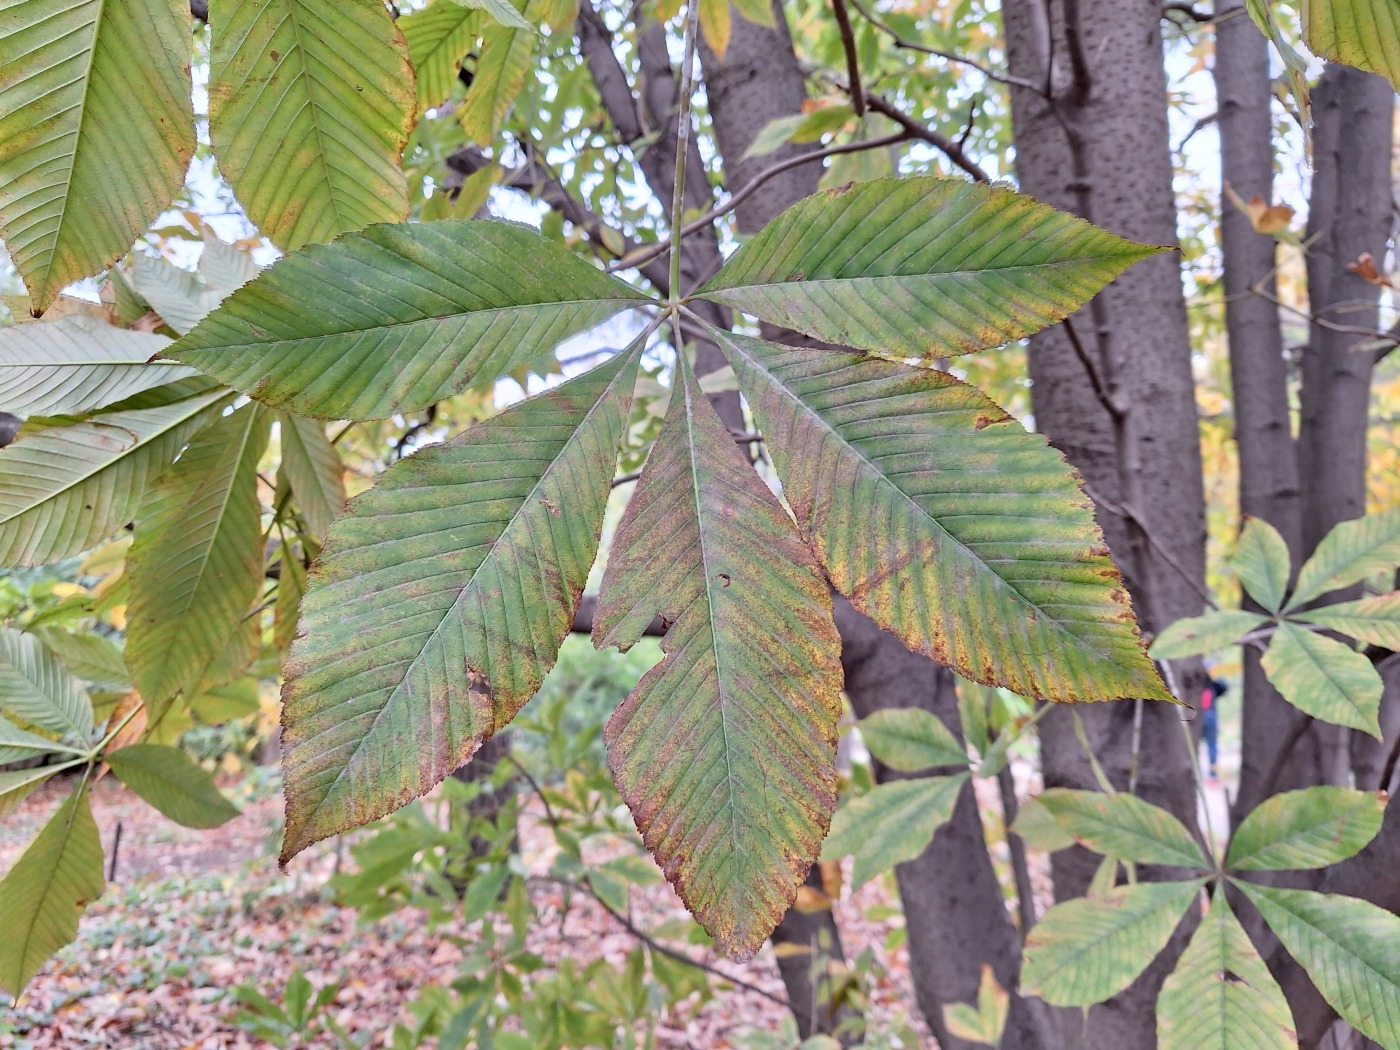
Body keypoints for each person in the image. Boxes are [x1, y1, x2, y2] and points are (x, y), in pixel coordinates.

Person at [1200, 673, 1226, 783]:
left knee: (1211, 746)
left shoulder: (1210, 685)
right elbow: (1223, 687)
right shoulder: (1211, 686)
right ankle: (1212, 773)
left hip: (1202, 715)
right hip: (1207, 716)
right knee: (1212, 746)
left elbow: (1224, 687)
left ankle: (1212, 773)